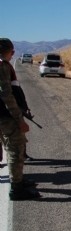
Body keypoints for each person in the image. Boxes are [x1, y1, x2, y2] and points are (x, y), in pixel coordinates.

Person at [0, 38, 39, 200]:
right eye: (12, 51)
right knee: (15, 151)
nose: (13, 54)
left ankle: (19, 181)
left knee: (17, 148)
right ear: (8, 51)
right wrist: (19, 119)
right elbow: (6, 95)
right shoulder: (2, 65)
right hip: (7, 116)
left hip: (5, 115)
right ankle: (16, 188)